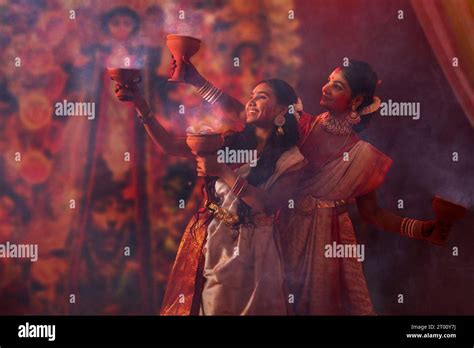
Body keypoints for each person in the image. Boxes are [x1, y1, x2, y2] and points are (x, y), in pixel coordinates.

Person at [180, 58, 453, 315]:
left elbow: (373, 213)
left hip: (328, 241)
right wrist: (196, 80)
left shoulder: (362, 155)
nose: (326, 87)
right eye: (328, 80)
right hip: (280, 228)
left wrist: (422, 229)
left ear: (356, 100)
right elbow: (243, 111)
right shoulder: (303, 126)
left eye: (337, 85)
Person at [113, 74, 306, 315]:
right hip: (216, 242)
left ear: (282, 111)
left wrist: (222, 171)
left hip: (259, 251)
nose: (251, 102)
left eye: (262, 97)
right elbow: (171, 146)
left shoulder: (292, 160)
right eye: (252, 96)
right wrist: (141, 106)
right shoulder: (228, 142)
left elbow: (265, 205)